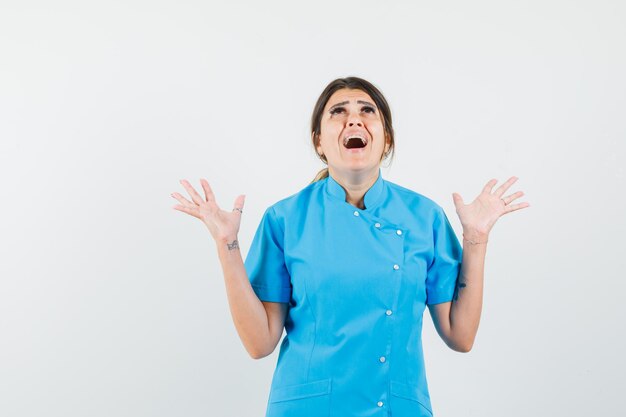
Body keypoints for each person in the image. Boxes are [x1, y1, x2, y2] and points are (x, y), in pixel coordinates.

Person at [171, 76, 530, 417]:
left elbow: (461, 335)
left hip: (394, 407)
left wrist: (477, 240)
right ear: (319, 142)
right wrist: (227, 244)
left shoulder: (425, 217)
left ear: (386, 139)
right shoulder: (286, 218)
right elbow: (259, 342)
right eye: (338, 111)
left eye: (366, 111)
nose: (353, 120)